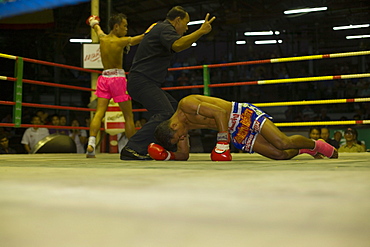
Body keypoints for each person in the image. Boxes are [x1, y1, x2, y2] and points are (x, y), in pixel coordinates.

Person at [120, 6, 216, 160]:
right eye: (186, 24)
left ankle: (155, 147)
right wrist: (200, 31)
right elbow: (177, 45)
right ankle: (132, 148)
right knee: (165, 113)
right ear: (177, 20)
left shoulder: (160, 29)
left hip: (144, 82)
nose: (186, 28)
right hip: (142, 81)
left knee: (174, 111)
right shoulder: (164, 28)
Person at [149, 95, 338, 161]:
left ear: (174, 126)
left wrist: (222, 142)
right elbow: (184, 155)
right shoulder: (180, 128)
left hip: (241, 114)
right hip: (234, 131)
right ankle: (303, 149)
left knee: (282, 142)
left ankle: (317, 145)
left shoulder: (187, 104)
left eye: (180, 137)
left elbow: (219, 113)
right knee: (279, 155)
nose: (183, 139)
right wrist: (168, 155)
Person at [85, 13, 145, 158]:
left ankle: (91, 143)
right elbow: (139, 39)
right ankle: (133, 149)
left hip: (104, 77)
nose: (126, 29)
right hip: (117, 79)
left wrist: (93, 22)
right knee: (128, 116)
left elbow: (96, 28)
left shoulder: (103, 38)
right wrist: (151, 31)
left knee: (99, 113)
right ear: (116, 26)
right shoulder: (120, 41)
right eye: (124, 26)